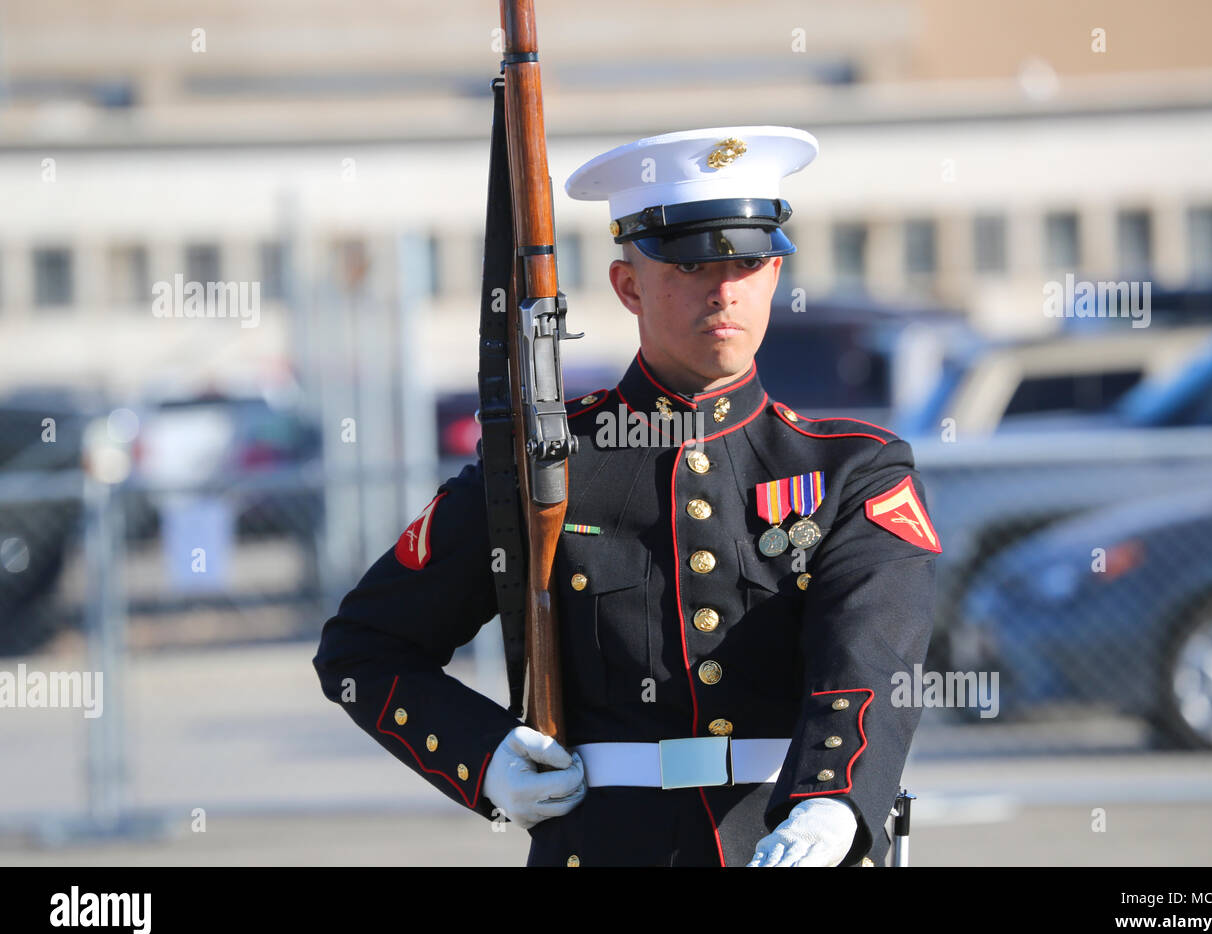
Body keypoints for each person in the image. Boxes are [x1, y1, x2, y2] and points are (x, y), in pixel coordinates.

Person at [313, 126, 940, 867]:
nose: (725, 288)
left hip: (791, 843)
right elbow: (364, 651)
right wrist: (482, 757)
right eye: (692, 263)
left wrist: (834, 803)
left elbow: (870, 652)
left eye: (748, 261)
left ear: (775, 275)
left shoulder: (853, 471)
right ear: (628, 285)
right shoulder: (549, 468)